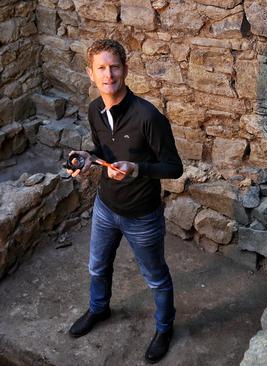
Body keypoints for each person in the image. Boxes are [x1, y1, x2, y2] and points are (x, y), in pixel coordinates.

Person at [66, 39, 183, 364]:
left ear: (126, 70)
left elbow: (174, 167)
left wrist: (138, 169)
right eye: (101, 68)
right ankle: (99, 309)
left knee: (155, 277)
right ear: (91, 74)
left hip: (142, 216)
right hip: (105, 207)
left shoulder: (148, 117)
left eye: (114, 66)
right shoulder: (94, 110)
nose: (109, 74)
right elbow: (104, 151)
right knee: (97, 266)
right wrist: (90, 159)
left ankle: (164, 329)